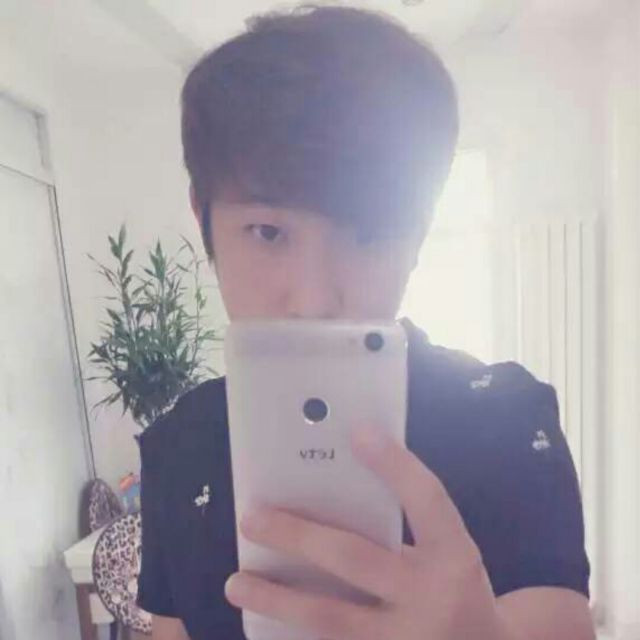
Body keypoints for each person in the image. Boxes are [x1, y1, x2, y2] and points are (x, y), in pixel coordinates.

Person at [136, 5, 594, 640]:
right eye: (268, 232)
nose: (315, 299)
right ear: (203, 216)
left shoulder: (508, 420)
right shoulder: (177, 445)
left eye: (370, 235)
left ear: (419, 233)